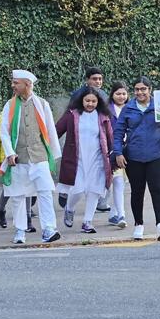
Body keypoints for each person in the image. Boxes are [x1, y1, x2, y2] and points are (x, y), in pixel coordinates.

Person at [0, 69, 62, 245]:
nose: (13, 86)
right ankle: (20, 230)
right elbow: (4, 132)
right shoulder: (9, 105)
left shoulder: (42, 104)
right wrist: (9, 152)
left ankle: (49, 229)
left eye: (16, 83)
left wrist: (52, 155)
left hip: (39, 157)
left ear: (27, 84)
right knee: (18, 194)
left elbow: (50, 129)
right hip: (18, 158)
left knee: (45, 192)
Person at [112, 76, 160, 241]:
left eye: (143, 89)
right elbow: (118, 132)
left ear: (150, 90)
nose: (140, 92)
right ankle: (138, 225)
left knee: (157, 189)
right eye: (137, 89)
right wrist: (118, 153)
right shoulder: (128, 108)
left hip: (157, 155)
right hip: (134, 157)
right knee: (137, 191)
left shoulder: (159, 106)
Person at [56, 86, 114, 234]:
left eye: (93, 101)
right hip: (77, 159)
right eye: (87, 101)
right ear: (81, 100)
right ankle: (69, 208)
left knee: (95, 190)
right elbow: (56, 131)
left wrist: (114, 154)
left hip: (98, 159)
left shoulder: (103, 116)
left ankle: (87, 222)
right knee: (77, 190)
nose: (90, 104)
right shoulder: (72, 115)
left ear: (98, 102)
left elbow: (110, 137)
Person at [64, 67, 111, 215]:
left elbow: (108, 128)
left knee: (97, 184)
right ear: (87, 80)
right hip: (79, 149)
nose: (98, 82)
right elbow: (66, 121)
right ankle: (68, 202)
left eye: (100, 79)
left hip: (97, 150)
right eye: (94, 79)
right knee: (77, 186)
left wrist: (113, 149)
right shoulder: (77, 96)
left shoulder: (104, 97)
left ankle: (92, 215)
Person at [106, 81, 130, 228]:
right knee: (118, 181)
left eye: (124, 94)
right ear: (112, 94)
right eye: (118, 94)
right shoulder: (107, 110)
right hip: (113, 150)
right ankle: (121, 214)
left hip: (130, 149)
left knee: (122, 182)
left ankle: (113, 214)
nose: (121, 96)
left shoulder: (132, 108)